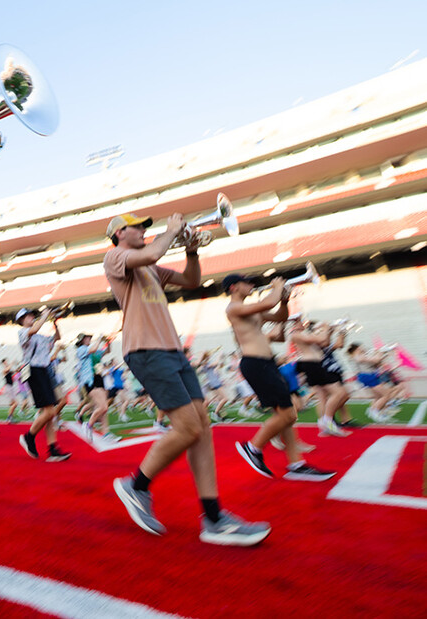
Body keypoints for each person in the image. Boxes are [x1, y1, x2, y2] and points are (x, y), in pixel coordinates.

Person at [104, 212, 270, 546]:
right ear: (120, 233)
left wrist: (191, 250)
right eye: (139, 227)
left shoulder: (150, 268)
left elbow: (191, 281)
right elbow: (152, 252)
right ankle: (136, 487)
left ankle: (213, 517)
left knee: (202, 429)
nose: (144, 232)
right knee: (186, 428)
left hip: (172, 351)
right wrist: (171, 232)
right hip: (146, 350)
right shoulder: (116, 256)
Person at [223, 274, 334, 481]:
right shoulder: (233, 308)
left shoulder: (254, 311)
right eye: (247, 282)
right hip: (255, 364)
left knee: (286, 417)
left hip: (267, 364)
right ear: (233, 287)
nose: (252, 285)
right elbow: (269, 301)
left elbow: (280, 317)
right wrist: (277, 287)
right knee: (289, 414)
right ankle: (253, 447)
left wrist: (284, 299)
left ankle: (296, 464)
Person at [16, 308, 72, 462]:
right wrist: (46, 315)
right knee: (49, 412)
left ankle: (52, 449)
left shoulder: (39, 335)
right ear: (21, 320)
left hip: (44, 371)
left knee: (49, 412)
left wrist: (55, 323)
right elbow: (33, 330)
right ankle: (29, 437)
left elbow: (57, 338)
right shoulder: (23, 332)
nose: (32, 317)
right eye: (28, 316)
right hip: (34, 371)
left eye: (32, 315)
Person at [290, 320, 350, 437]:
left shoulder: (305, 335)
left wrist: (331, 330)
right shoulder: (298, 334)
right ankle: (327, 421)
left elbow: (326, 342)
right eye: (299, 321)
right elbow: (321, 339)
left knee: (322, 396)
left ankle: (324, 425)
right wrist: (327, 327)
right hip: (311, 364)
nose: (303, 323)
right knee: (339, 392)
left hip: (315, 364)